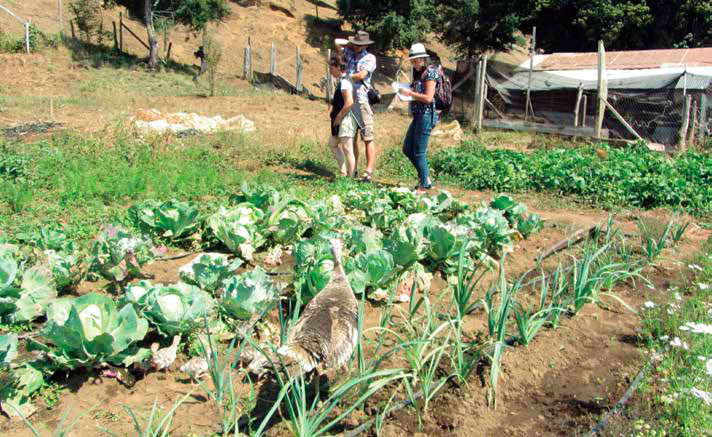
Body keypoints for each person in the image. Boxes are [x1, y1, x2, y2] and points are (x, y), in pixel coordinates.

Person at [398, 43, 438, 193]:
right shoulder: (419, 73)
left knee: (419, 151)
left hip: (426, 115)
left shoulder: (430, 73)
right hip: (418, 115)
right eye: (412, 61)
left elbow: (428, 98)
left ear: (423, 59)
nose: (414, 63)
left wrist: (410, 94)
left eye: (416, 60)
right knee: (407, 148)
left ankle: (423, 185)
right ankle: (425, 177)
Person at [339, 31, 377, 181]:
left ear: (366, 45)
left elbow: (361, 75)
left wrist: (345, 76)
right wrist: (350, 43)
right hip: (348, 99)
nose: (356, 46)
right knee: (351, 138)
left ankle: (368, 171)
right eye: (356, 43)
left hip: (361, 100)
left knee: (367, 137)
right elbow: (336, 42)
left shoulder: (369, 57)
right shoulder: (348, 52)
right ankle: (353, 169)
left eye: (360, 44)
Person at [328, 55, 363, 178]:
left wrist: (338, 117)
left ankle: (351, 177)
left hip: (347, 119)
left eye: (331, 68)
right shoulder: (343, 81)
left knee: (348, 149)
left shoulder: (345, 82)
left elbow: (349, 102)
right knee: (332, 143)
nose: (330, 71)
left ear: (338, 67)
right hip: (344, 119)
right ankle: (343, 172)